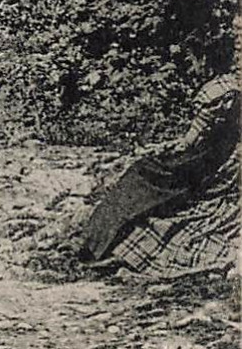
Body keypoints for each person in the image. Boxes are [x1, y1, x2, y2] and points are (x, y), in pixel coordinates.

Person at [77, 72, 239, 277]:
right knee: (143, 180)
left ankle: (103, 245)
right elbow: (193, 138)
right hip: (213, 171)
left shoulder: (229, 100)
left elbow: (197, 143)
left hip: (223, 190)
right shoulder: (223, 94)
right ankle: (98, 241)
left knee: (150, 189)